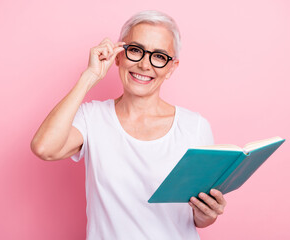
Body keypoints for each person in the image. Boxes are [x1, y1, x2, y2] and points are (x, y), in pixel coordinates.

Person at [31, 10, 227, 240]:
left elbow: (200, 218)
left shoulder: (195, 127)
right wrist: (89, 76)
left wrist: (207, 214)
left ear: (171, 68)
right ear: (118, 56)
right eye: (135, 50)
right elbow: (44, 148)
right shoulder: (92, 117)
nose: (144, 65)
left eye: (159, 56)